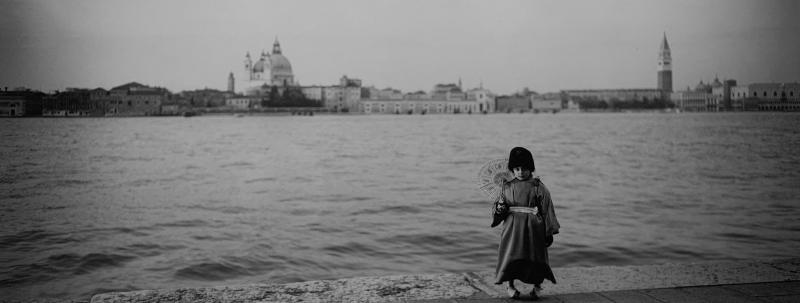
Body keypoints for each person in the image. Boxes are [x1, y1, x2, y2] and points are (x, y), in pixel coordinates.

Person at [493, 147, 560, 300]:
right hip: (512, 226)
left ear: (531, 168)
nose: (520, 172)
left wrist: (548, 231)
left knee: (535, 256)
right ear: (512, 169)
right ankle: (509, 285)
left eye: (524, 168)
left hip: (533, 227)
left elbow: (547, 209)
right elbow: (498, 210)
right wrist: (500, 207)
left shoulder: (539, 187)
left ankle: (537, 286)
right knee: (511, 255)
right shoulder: (507, 186)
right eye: (517, 169)